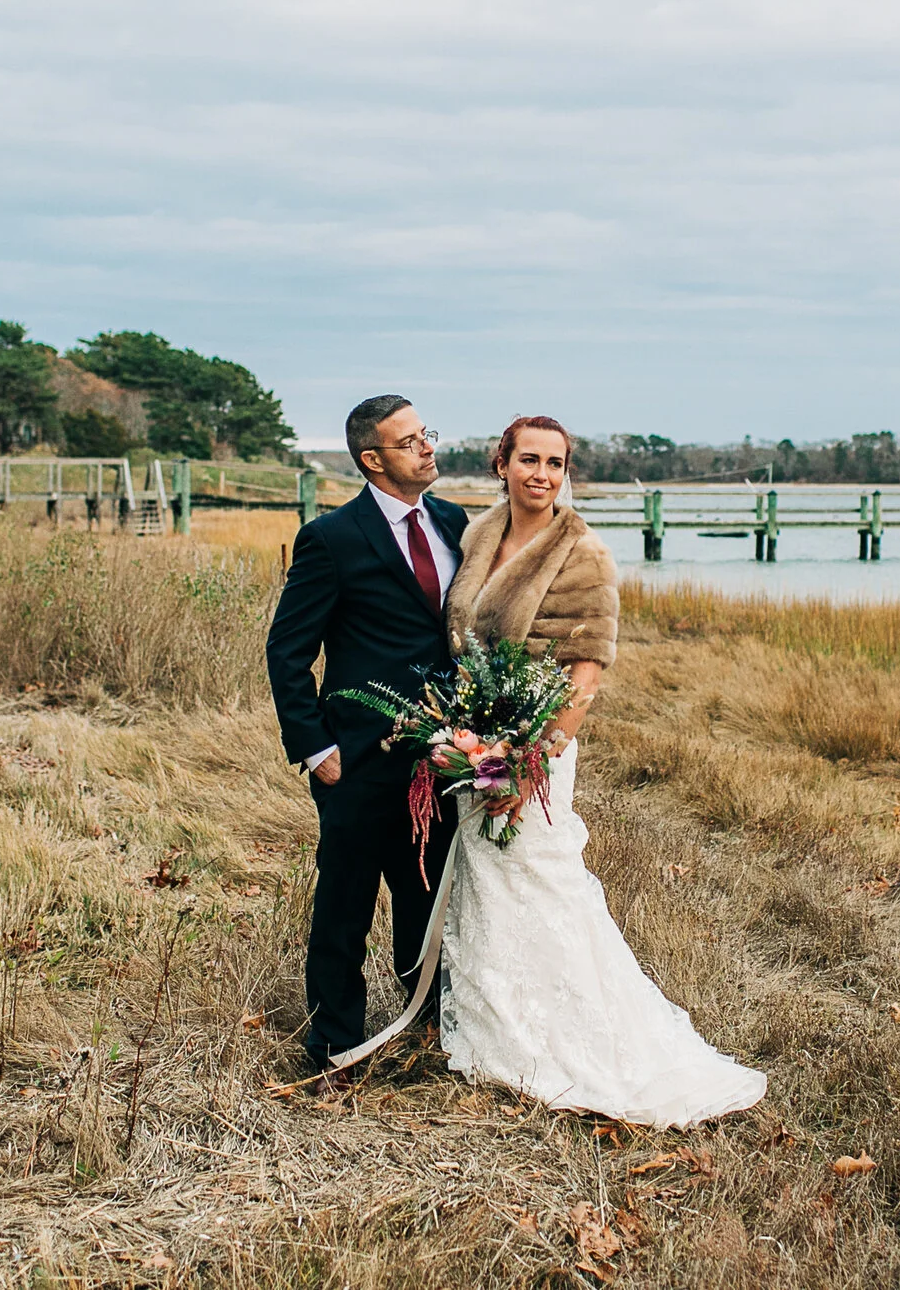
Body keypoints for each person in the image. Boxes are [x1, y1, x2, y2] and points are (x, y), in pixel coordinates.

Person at [434, 415, 766, 1127]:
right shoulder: (478, 535)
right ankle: (499, 1029)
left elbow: (584, 676)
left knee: (538, 872)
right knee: (488, 876)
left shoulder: (583, 553)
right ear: (502, 461)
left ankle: (576, 1037)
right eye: (528, 459)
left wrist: (533, 759)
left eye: (555, 462)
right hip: (480, 733)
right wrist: (467, 730)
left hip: (539, 745)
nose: (542, 474)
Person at [265, 395, 468, 1071]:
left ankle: (430, 1031)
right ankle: (332, 1046)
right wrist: (316, 746)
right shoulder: (332, 537)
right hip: (354, 759)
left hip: (438, 757)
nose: (427, 447)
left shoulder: (452, 521)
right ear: (372, 459)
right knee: (345, 906)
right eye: (410, 441)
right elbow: (288, 649)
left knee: (428, 899)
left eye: (426, 434)